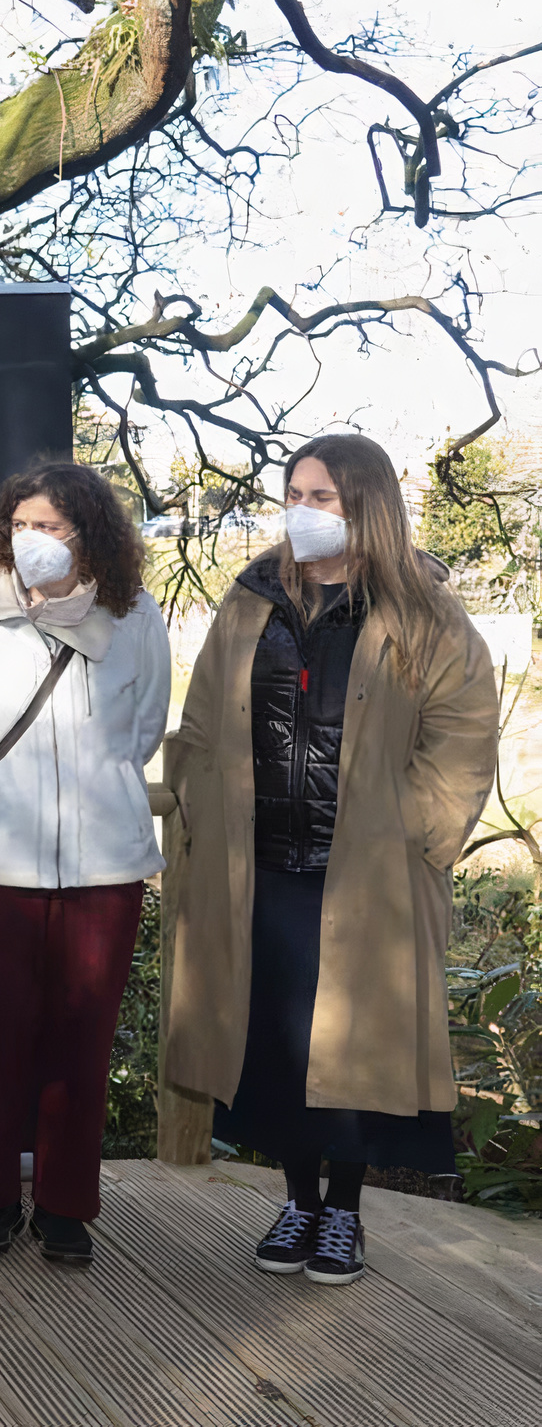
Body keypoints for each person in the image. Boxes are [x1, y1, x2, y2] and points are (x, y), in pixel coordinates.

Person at [166, 434, 497, 1287]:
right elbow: (202, 722)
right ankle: (299, 1201)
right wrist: (204, 812)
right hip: (261, 869)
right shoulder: (251, 600)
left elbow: (462, 739)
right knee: (276, 1046)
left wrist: (412, 830)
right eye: (297, 493)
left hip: (366, 878)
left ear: (368, 508)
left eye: (327, 499)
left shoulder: (422, 611)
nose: (305, 512)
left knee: (350, 1051)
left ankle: (343, 1211)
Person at [0, 461, 169, 1268]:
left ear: (89, 535)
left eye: (52, 526)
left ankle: (66, 1207)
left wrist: (91, 797)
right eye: (21, 524)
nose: (33, 540)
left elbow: (144, 727)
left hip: (103, 871)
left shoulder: (133, 616)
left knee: (82, 1045)